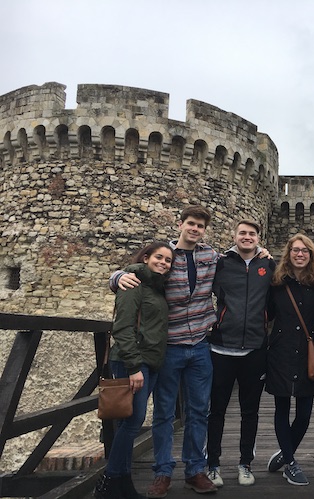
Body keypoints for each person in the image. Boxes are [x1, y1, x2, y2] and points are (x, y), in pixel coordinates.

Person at [111, 205, 219, 497]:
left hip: (199, 346)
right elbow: (136, 272)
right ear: (180, 224)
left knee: (198, 411)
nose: (195, 229)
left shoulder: (211, 256)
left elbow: (239, 261)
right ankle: (162, 471)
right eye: (191, 224)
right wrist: (117, 276)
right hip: (168, 348)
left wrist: (262, 253)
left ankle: (196, 469)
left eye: (200, 226)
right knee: (163, 413)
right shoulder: (165, 256)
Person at [95, 242, 173, 499]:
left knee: (129, 421)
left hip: (149, 363)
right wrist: (134, 367)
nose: (163, 262)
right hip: (133, 363)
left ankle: (122, 481)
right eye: (158, 257)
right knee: (132, 423)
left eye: (168, 260)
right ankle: (109, 481)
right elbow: (123, 327)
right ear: (146, 257)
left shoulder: (157, 287)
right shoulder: (133, 283)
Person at [206, 220, 275, 488]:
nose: (247, 237)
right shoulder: (220, 264)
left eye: (252, 234)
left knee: (250, 411)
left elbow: (278, 299)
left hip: (254, 350)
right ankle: (213, 465)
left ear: (259, 238)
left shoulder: (268, 266)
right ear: (233, 236)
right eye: (242, 233)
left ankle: (245, 463)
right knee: (216, 412)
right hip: (221, 347)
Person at [265, 234, 314, 486]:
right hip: (280, 352)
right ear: (288, 253)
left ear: (311, 255)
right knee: (281, 409)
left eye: (305, 251)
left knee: (304, 415)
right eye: (295, 250)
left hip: (308, 353)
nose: (300, 254)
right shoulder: (277, 282)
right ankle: (290, 462)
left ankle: (285, 451)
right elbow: (265, 311)